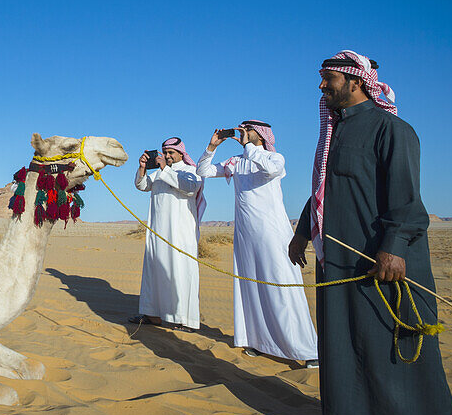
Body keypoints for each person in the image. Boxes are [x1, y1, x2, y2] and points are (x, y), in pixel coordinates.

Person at [288, 50, 452, 415]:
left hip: (381, 261)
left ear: (355, 81)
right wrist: (302, 232)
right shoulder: (335, 132)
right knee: (346, 342)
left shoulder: (391, 130)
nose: (321, 85)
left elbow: (408, 201)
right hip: (340, 261)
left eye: (328, 78)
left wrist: (393, 247)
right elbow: (323, 191)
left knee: (388, 349)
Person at [197, 121, 318, 367]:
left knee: (281, 285)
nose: (242, 132)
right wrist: (211, 147)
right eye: (241, 129)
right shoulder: (235, 161)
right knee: (250, 286)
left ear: (261, 135)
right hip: (245, 234)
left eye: (247, 129)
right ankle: (260, 342)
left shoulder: (274, 158)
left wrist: (249, 148)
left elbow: (270, 171)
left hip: (272, 232)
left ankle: (306, 349)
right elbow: (203, 172)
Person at [129, 137, 205, 331]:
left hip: (179, 236)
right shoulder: (159, 174)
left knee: (180, 273)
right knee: (154, 272)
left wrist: (165, 169)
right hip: (158, 234)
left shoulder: (190, 172)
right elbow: (142, 186)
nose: (168, 156)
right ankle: (152, 314)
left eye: (171, 152)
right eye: (166, 152)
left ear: (181, 153)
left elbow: (190, 188)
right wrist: (143, 168)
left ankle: (184, 320)